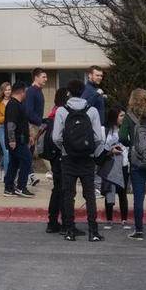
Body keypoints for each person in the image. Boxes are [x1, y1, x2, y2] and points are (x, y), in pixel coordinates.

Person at [52, 79, 104, 242]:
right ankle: (93, 231)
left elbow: (56, 137)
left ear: (69, 92)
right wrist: (92, 152)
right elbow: (98, 138)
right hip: (87, 159)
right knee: (89, 195)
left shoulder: (62, 110)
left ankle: (69, 230)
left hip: (68, 158)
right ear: (83, 92)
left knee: (68, 195)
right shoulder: (92, 110)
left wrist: (66, 148)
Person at [119, 88, 146, 240]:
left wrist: (133, 145)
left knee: (138, 197)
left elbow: (122, 137)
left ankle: (138, 230)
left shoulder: (129, 116)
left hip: (137, 160)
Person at [44, 87, 71, 234]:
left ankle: (52, 221)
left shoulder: (53, 111)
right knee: (64, 189)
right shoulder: (62, 112)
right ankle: (65, 223)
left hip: (53, 155)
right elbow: (58, 137)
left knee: (57, 188)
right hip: (61, 154)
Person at [3, 82, 35, 198]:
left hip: (21, 140)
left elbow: (23, 123)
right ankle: (21, 187)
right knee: (27, 160)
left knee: (14, 163)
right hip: (16, 141)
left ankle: (9, 188)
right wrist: (12, 140)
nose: (26, 93)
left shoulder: (19, 104)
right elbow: (11, 124)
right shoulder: (13, 105)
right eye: (25, 91)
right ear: (21, 92)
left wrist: (29, 136)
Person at [100, 107, 129, 230]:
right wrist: (111, 151)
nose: (123, 118)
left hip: (123, 165)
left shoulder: (127, 130)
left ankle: (124, 220)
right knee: (109, 192)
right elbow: (100, 149)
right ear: (114, 117)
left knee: (122, 193)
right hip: (110, 165)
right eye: (121, 116)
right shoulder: (105, 130)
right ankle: (109, 219)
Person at [25, 68, 47, 186]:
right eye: (43, 77)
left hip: (36, 125)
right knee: (27, 152)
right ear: (36, 77)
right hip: (30, 126)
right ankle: (30, 175)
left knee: (30, 151)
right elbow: (28, 111)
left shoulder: (39, 91)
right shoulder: (31, 91)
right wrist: (39, 122)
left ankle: (28, 175)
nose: (46, 79)